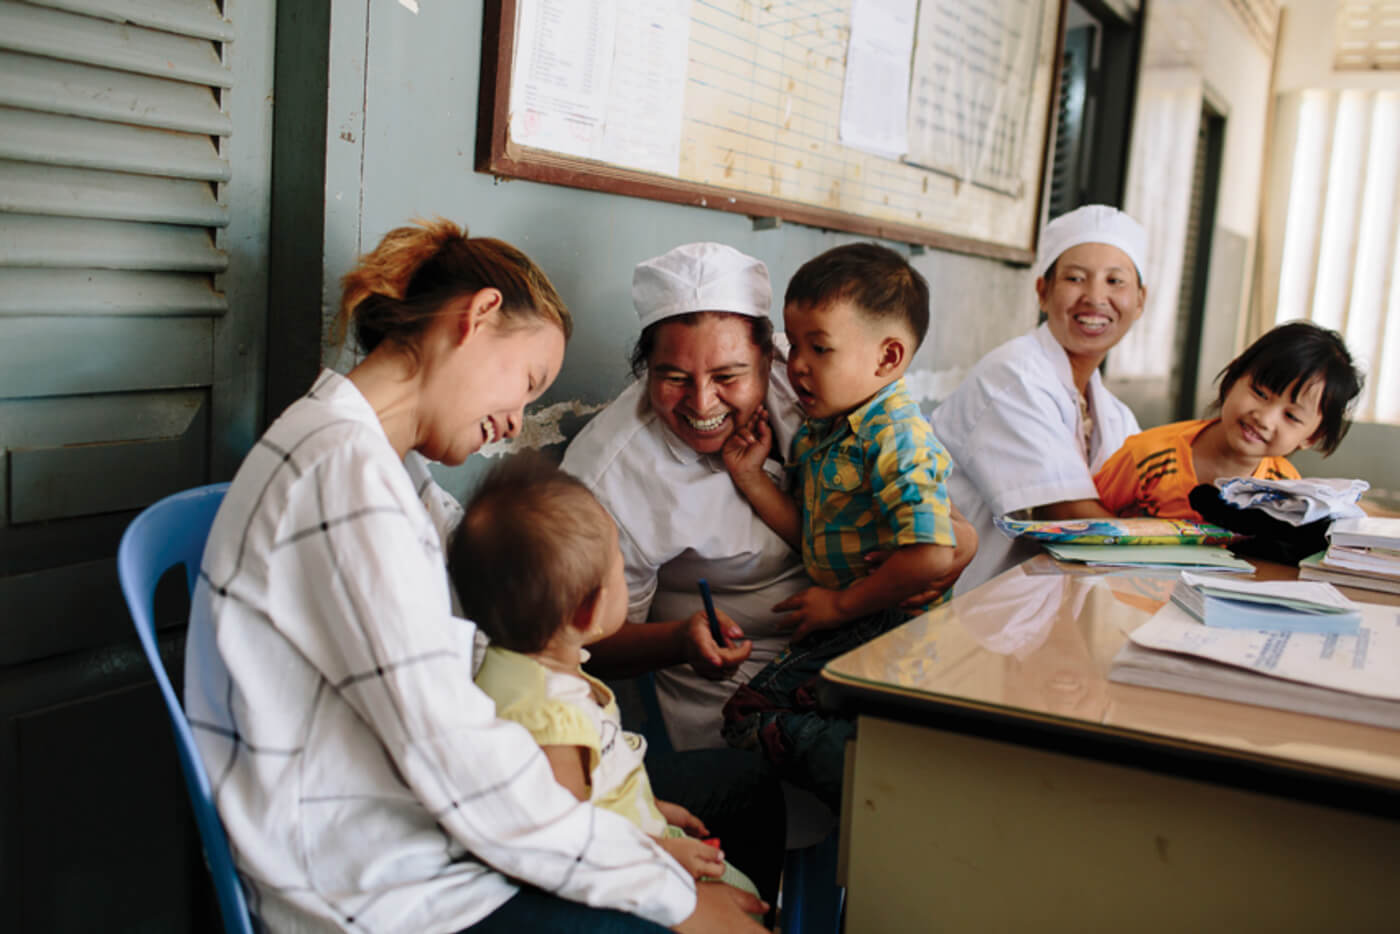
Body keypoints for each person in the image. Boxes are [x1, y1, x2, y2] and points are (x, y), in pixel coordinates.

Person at [184, 219, 766, 933]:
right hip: (383, 877)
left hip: (437, 816)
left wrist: (625, 810)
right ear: (479, 317)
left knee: (741, 792)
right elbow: (453, 753)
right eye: (527, 383)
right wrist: (662, 888)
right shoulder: (344, 479)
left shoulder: (390, 468)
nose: (518, 423)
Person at [449, 454, 763, 913]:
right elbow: (572, 841)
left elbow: (604, 779)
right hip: (633, 868)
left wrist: (652, 805)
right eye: (619, 566)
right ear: (588, 611)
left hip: (641, 825)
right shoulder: (552, 722)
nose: (623, 571)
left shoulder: (512, 668)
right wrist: (659, 850)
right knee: (746, 903)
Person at [717, 241, 969, 809]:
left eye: (820, 348)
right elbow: (811, 531)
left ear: (887, 359)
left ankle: (895, 769)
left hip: (883, 619)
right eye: (793, 345)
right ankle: (888, 752)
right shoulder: (824, 425)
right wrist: (753, 479)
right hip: (858, 617)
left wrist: (841, 606)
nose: (797, 365)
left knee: (747, 717)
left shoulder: (897, 436)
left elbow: (930, 555)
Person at [933, 204, 1149, 594]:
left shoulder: (1116, 416)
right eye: (1075, 278)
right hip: (963, 607)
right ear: (1043, 292)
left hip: (1038, 609)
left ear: (1139, 302)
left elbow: (1144, 505)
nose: (1096, 298)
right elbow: (1069, 519)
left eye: (1116, 281)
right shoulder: (1013, 376)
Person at [1094, 320, 1363, 520]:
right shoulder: (1146, 455)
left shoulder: (1283, 486)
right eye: (1260, 393)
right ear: (1233, 378)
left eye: (1291, 416)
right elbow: (1082, 519)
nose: (1264, 419)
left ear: (1311, 437)